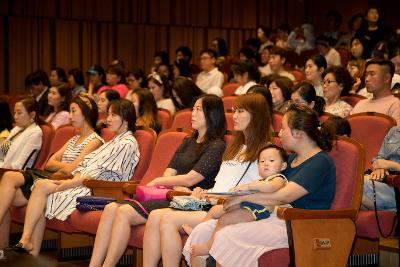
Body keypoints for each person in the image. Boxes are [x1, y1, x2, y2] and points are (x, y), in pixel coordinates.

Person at [185, 104, 336, 267]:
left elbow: (285, 196)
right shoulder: (290, 160)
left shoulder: (320, 162)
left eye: (284, 129)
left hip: (297, 224)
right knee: (203, 230)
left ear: (298, 133)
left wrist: (243, 198)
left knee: (226, 235)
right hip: (273, 216)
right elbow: (266, 185)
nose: (279, 133)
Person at [88, 94, 227, 267]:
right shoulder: (188, 140)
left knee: (123, 212)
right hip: (174, 194)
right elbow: (170, 171)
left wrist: (161, 181)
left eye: (199, 109)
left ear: (212, 114)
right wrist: (173, 183)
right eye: (193, 109)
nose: (193, 113)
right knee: (110, 209)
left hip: (192, 201)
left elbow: (192, 178)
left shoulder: (216, 146)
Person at [142, 93, 272, 267]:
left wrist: (216, 198)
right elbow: (222, 184)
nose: (234, 116)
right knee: (156, 216)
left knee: (167, 219)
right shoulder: (235, 147)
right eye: (234, 111)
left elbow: (254, 191)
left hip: (229, 208)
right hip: (212, 202)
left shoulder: (266, 153)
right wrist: (204, 192)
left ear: (256, 115)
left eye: (241, 111)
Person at [10, 99, 140, 256]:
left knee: (42, 188)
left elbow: (95, 174)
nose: (108, 119)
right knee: (41, 186)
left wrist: (67, 184)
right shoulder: (113, 141)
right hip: (83, 183)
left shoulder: (126, 143)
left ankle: (28, 243)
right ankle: (28, 244)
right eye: (108, 115)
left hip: (99, 190)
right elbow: (85, 166)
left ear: (126, 118)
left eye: (113, 115)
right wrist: (69, 181)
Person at [0, 95, 103, 250]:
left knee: (9, 182)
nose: (70, 116)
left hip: (61, 181)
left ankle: (26, 245)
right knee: (6, 190)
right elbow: (49, 163)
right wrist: (64, 166)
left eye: (73, 111)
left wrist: (61, 166)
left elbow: (72, 169)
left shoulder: (95, 140)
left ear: (86, 112)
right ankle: (2, 249)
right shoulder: (74, 139)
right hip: (48, 175)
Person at [185, 144, 288, 257]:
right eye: (262, 161)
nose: (266, 164)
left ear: (283, 166)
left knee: (225, 219)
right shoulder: (260, 180)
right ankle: (196, 230)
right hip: (248, 205)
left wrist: (249, 186)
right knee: (215, 210)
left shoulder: (279, 179)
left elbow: (270, 187)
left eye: (271, 160)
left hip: (259, 210)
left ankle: (207, 247)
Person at [350, 58, 400, 124]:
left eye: (372, 74)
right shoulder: (360, 103)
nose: (367, 79)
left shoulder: (395, 105)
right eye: (366, 75)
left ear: (386, 78)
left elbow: (395, 133)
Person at [362, 125, 400, 211]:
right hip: (386, 179)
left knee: (358, 186)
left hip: (397, 184)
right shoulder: (394, 131)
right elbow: (379, 157)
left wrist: (391, 164)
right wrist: (380, 168)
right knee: (354, 182)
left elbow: (386, 163)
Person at [0, 98, 43, 170]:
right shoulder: (16, 129)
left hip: (12, 173)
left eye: (19, 113)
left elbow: (19, 165)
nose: (15, 117)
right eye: (15, 113)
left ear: (32, 114)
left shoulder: (35, 133)